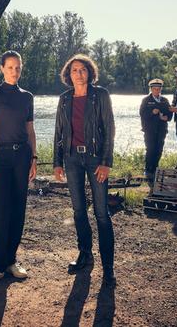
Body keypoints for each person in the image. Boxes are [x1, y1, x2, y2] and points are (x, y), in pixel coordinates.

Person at [53, 54, 116, 287]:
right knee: (79, 210)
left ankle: (108, 267)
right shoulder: (65, 99)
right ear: (68, 75)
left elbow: (109, 128)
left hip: (95, 159)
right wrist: (57, 162)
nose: (78, 74)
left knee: (101, 213)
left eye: (82, 70)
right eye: (74, 70)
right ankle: (85, 254)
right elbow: (58, 132)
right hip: (71, 159)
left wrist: (106, 161)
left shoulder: (100, 95)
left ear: (90, 72)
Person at [0, 51, 37, 289]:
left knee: (18, 211)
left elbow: (31, 131)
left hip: (22, 157)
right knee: (1, 212)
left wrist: (33, 158)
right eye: (10, 67)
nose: (15, 71)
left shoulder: (27, 97)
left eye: (18, 67)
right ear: (2, 68)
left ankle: (11, 261)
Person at [139, 78, 172, 183]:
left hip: (161, 129)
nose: (157, 91)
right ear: (151, 89)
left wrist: (167, 117)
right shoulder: (146, 100)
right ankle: (148, 170)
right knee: (150, 149)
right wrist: (152, 112)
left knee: (159, 149)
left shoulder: (164, 100)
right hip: (149, 130)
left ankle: (156, 169)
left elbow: (170, 113)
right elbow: (142, 114)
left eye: (159, 89)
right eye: (155, 89)